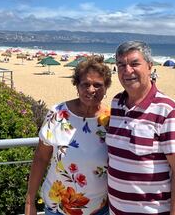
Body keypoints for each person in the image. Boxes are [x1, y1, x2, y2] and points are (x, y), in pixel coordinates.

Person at [106, 41, 175, 214]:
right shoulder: (116, 103)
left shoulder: (168, 110)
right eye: (121, 65)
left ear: (150, 66)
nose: (127, 70)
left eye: (134, 64)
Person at [25, 55, 112, 215]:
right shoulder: (57, 114)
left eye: (98, 85)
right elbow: (41, 158)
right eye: (85, 84)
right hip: (57, 209)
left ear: (106, 87)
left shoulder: (111, 120)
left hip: (100, 209)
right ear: (77, 86)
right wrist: (30, 200)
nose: (91, 90)